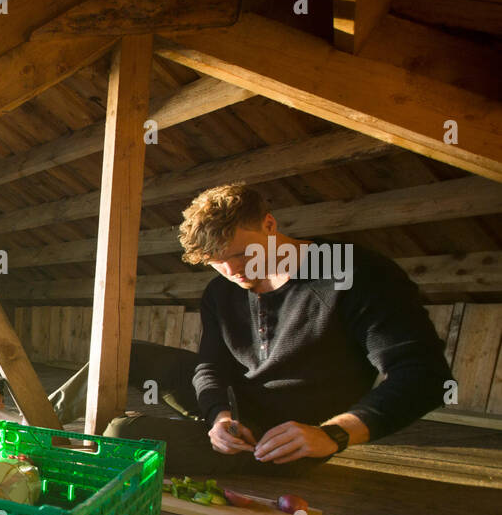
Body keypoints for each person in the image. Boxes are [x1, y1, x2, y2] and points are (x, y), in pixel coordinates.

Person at [98, 183, 452, 475]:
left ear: (269, 224)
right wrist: (218, 415)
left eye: (240, 254)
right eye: (216, 263)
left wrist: (334, 434)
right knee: (120, 353)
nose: (232, 270)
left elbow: (424, 375)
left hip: (287, 437)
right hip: (236, 407)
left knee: (121, 433)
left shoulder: (352, 273)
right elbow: (210, 366)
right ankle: (46, 424)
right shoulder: (221, 290)